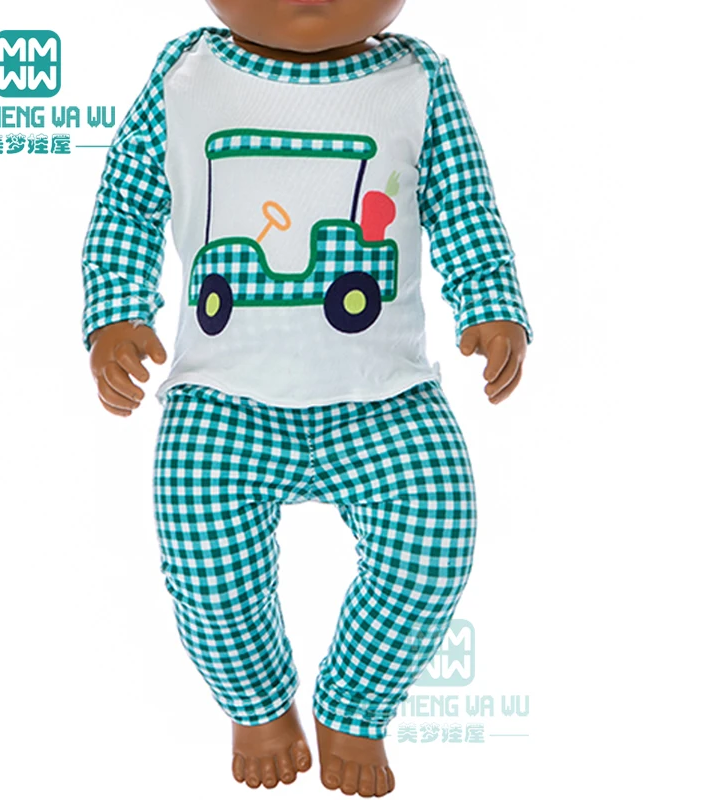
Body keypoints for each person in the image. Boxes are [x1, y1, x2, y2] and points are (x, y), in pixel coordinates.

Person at [81, 0, 532, 794]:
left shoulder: (417, 79)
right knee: (207, 571)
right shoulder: (186, 75)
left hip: (385, 395)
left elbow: (466, 210)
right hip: (220, 398)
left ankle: (357, 702)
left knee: (437, 539)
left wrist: (490, 303)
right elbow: (128, 202)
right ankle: (256, 704)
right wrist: (116, 313)